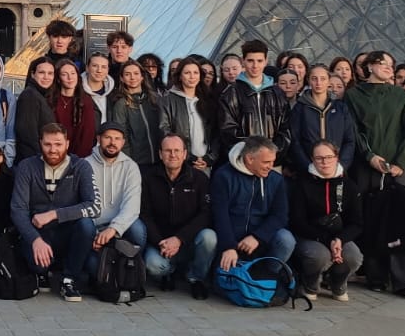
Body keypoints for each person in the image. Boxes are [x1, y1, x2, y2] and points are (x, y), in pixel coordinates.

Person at [11, 124, 100, 302]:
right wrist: (34, 239)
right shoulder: (27, 166)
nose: (53, 150)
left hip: (68, 233)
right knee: (38, 266)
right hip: (39, 233)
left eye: (58, 144)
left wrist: (54, 214)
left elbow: (94, 206)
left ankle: (69, 279)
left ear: (67, 144)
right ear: (40, 143)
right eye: (48, 144)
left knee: (86, 225)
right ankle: (42, 273)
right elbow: (17, 210)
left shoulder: (81, 166)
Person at [140, 134, 217, 298]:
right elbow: (144, 214)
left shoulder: (199, 179)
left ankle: (196, 278)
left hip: (189, 240)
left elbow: (206, 214)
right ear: (160, 154)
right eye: (168, 151)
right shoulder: (148, 178)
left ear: (184, 154)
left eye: (177, 150)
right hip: (162, 242)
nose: (172, 155)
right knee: (153, 265)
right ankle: (169, 273)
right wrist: (160, 242)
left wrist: (180, 238)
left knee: (210, 238)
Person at [289, 140, 363, 301]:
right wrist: (328, 240)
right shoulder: (301, 184)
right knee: (319, 257)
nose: (325, 162)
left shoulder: (349, 185)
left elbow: (357, 223)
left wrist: (340, 240)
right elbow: (297, 221)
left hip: (338, 235)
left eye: (329, 157)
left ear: (337, 157)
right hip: (310, 235)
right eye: (319, 158)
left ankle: (337, 282)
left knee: (353, 256)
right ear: (312, 159)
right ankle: (310, 284)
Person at [212, 137, 295, 273]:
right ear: (250, 159)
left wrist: (258, 237)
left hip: (260, 240)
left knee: (286, 240)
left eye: (273, 162)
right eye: (266, 162)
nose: (270, 166)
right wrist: (229, 247)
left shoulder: (276, 180)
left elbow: (280, 216)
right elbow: (220, 215)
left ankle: (267, 277)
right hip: (231, 240)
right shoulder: (223, 176)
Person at [345, 51, 405, 190]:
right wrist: (369, 156)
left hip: (398, 166)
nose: (388, 67)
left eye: (391, 65)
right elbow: (353, 129)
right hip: (365, 164)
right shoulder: (353, 95)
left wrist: (401, 162)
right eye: (383, 63)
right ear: (370, 66)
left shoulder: (400, 94)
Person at [87, 122, 146, 271]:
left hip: (121, 229)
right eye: (107, 137)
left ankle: (133, 267)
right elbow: (82, 204)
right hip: (94, 229)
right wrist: (97, 235)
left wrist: (113, 229)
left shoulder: (131, 167)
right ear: (98, 138)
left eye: (117, 138)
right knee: (95, 269)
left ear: (123, 142)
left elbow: (132, 206)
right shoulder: (84, 164)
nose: (113, 143)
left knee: (137, 228)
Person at [218, 40, 291, 158]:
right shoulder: (230, 94)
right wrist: (251, 154)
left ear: (266, 61)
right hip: (244, 160)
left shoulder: (277, 93)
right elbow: (228, 131)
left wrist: (273, 153)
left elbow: (285, 128)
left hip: (273, 160)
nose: (255, 65)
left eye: (259, 61)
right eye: (250, 60)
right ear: (243, 61)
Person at [288, 64, 357, 174]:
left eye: (323, 78)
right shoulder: (300, 108)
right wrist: (307, 166)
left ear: (329, 81)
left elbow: (349, 140)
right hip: (309, 170)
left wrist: (342, 165)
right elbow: (295, 141)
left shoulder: (340, 107)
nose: (318, 83)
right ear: (309, 80)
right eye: (314, 79)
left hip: (337, 169)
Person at [108, 60, 163, 166]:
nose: (132, 78)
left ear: (142, 77)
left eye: (136, 73)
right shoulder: (121, 104)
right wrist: (129, 161)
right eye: (127, 74)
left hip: (160, 160)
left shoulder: (155, 99)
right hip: (137, 162)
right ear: (122, 78)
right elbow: (122, 135)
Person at [161, 58, 212, 171]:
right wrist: (188, 156)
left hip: (205, 162)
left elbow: (215, 132)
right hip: (180, 162)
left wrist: (209, 158)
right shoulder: (168, 100)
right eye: (187, 73)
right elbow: (164, 130)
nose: (192, 76)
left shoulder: (207, 100)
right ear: (180, 76)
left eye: (195, 72)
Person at [47, 60, 96, 158]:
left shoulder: (86, 101)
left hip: (77, 157)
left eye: (73, 73)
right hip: (53, 154)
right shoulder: (50, 100)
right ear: (58, 78)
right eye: (64, 74)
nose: (70, 78)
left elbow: (87, 135)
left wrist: (76, 160)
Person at [14, 56, 57, 163]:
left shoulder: (40, 95)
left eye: (50, 73)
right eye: (42, 72)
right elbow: (28, 135)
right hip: (34, 161)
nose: (46, 77)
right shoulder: (29, 96)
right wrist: (41, 161)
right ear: (33, 74)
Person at [81, 52, 115, 125]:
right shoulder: (77, 93)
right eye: (95, 66)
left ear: (108, 70)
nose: (99, 70)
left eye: (103, 67)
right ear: (87, 68)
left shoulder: (114, 94)